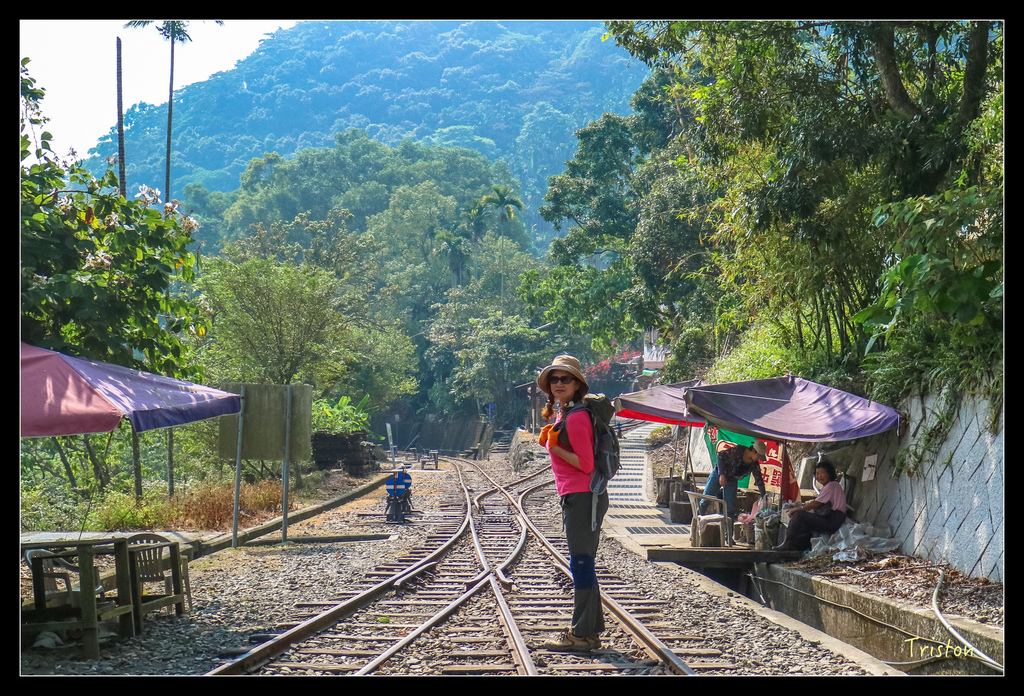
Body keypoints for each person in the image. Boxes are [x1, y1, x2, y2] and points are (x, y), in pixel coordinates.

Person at [535, 354, 608, 652]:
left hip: (583, 496)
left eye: (566, 379)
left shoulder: (576, 417)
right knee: (582, 563)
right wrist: (552, 438)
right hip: (578, 496)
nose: (559, 383)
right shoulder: (564, 414)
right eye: (554, 379)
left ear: (578, 385)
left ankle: (580, 634)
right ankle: (589, 632)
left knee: (580, 563)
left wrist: (553, 445)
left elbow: (587, 464)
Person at [774, 459, 847, 552]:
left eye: (822, 473)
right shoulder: (831, 486)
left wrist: (798, 509)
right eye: (817, 474)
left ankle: (788, 544)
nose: (819, 476)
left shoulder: (831, 485)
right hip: (831, 519)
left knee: (799, 516)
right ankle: (796, 547)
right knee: (803, 520)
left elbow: (816, 503)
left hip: (832, 520)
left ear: (829, 473)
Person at [700, 441, 767, 520]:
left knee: (729, 509)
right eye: (757, 456)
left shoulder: (754, 464)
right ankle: (697, 521)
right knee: (705, 500)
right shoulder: (739, 451)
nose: (758, 459)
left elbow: (759, 480)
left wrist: (764, 496)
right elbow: (721, 456)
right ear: (753, 451)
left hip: (732, 480)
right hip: (718, 474)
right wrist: (722, 475)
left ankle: (728, 531)